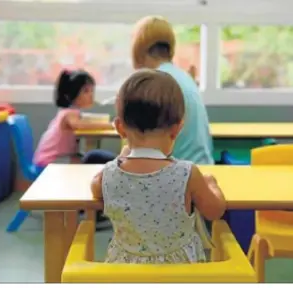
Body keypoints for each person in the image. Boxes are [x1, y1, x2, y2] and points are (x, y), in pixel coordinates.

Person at [91, 70, 226, 264]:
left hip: (125, 276)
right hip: (178, 276)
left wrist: (121, 158)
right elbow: (215, 211)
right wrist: (212, 185)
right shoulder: (187, 174)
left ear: (120, 128)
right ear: (177, 129)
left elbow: (95, 186)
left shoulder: (109, 175)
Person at [130, 16, 214, 165]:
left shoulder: (154, 82)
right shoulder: (182, 76)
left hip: (178, 176)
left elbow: (141, 149)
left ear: (138, 48)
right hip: (200, 168)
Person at [33, 69, 116, 169]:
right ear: (71, 94)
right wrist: (111, 125)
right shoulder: (69, 113)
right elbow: (79, 125)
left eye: (92, 90)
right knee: (88, 162)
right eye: (86, 91)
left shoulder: (70, 112)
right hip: (50, 160)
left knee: (88, 159)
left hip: (56, 157)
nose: (91, 95)